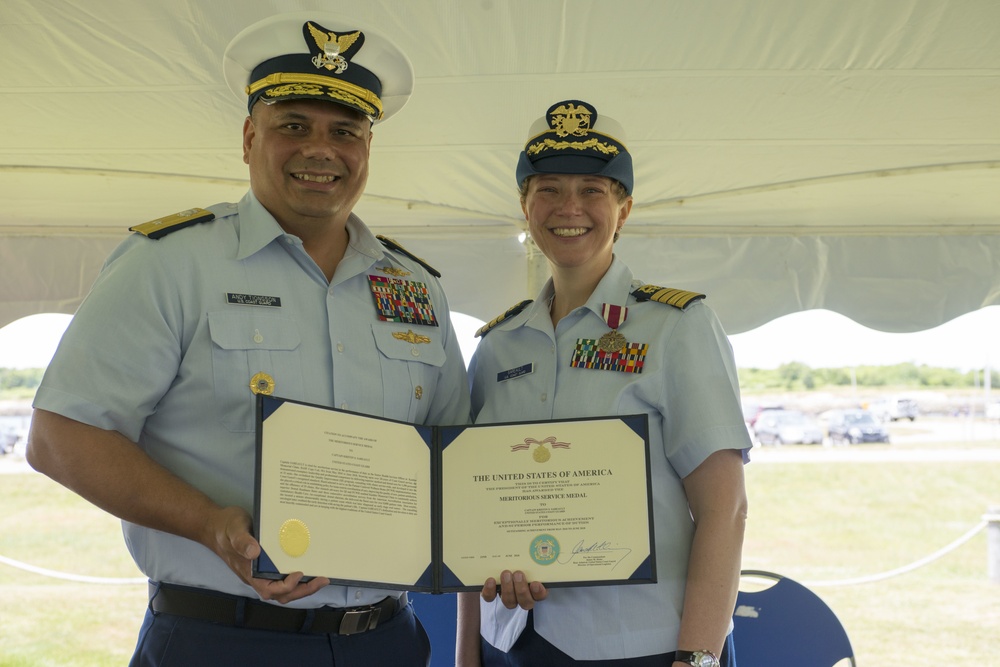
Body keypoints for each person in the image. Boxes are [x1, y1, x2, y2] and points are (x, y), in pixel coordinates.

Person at [26, 12, 470, 667]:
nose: (321, 149)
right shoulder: (171, 262)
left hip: (387, 639)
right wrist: (208, 522)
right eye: (293, 125)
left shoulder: (418, 289)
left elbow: (451, 457)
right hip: (220, 639)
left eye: (345, 131)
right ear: (248, 137)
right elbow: (61, 435)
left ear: (367, 149)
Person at [456, 100, 750, 667]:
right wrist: (467, 655)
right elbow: (467, 508)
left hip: (642, 647)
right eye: (548, 188)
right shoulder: (497, 346)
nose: (570, 207)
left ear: (624, 209)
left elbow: (726, 509)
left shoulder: (676, 328)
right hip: (512, 642)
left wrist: (699, 658)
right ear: (525, 205)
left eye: (593, 189)